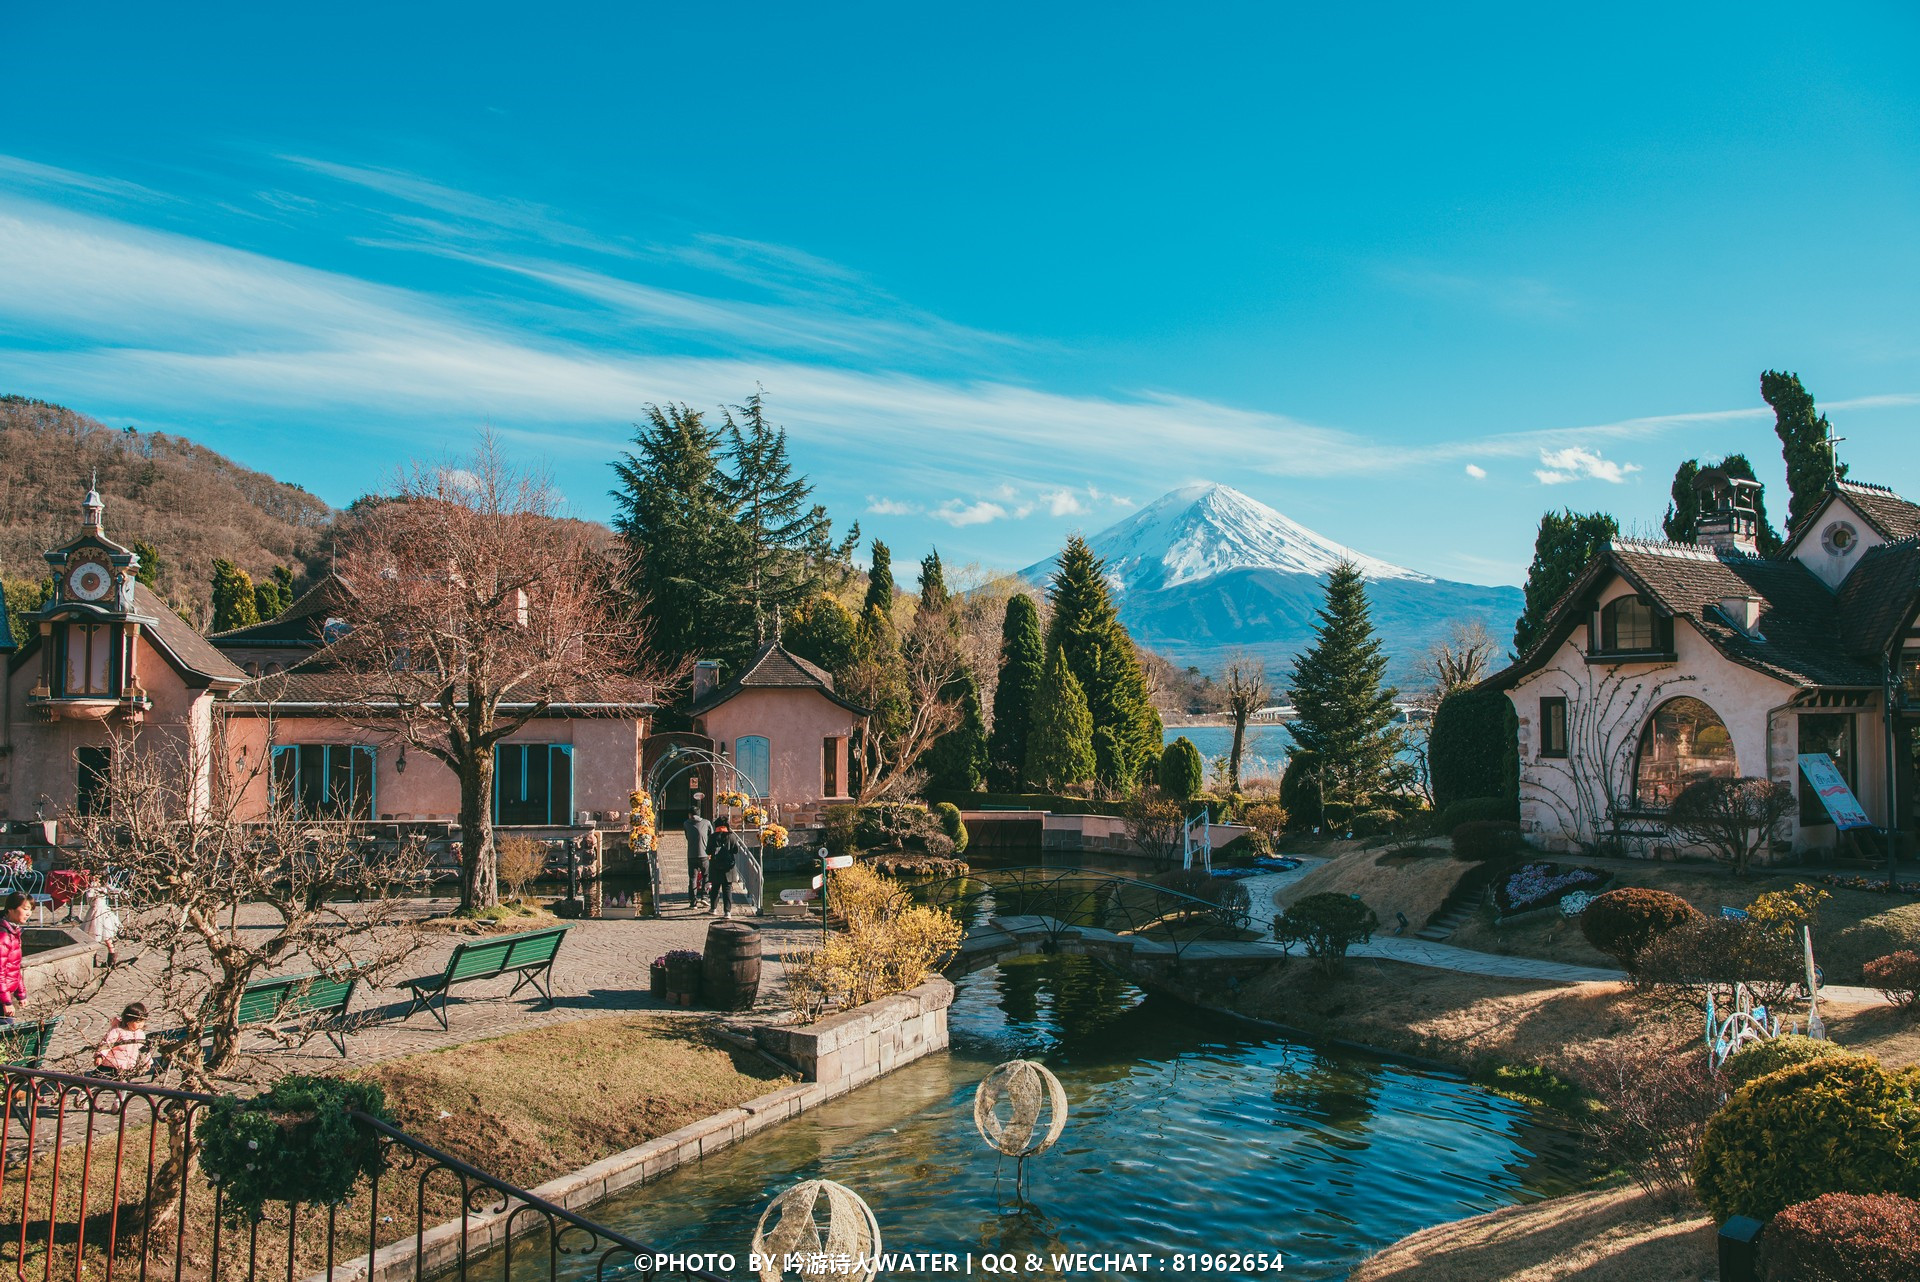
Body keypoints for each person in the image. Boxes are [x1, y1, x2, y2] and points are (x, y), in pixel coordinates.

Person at [93, 1002, 150, 1080]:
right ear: (128, 1021)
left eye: (143, 1021)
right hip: (110, 1066)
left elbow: (144, 1049)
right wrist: (100, 1056)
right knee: (98, 1082)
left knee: (124, 1087)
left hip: (128, 1068)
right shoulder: (117, 1031)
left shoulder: (141, 1034)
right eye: (137, 1022)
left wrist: (147, 1061)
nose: (140, 1024)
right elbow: (107, 1044)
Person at [707, 819, 744, 918]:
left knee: (715, 888)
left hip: (715, 866)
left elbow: (708, 851)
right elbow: (735, 850)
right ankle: (727, 912)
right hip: (728, 867)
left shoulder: (713, 837)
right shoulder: (731, 836)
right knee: (727, 889)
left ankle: (713, 909)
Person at [0, 892, 28, 1023]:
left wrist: (21, 993)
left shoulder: (14, 931)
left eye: (30, 910)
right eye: (25, 909)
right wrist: (6, 1002)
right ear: (10, 909)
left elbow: (14, 967)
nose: (28, 914)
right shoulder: (3, 935)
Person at [683, 810, 713, 910]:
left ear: (690, 814)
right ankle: (704, 896)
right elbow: (711, 836)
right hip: (704, 854)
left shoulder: (686, 823)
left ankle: (693, 902)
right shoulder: (707, 822)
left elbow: (687, 836)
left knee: (693, 878)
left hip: (691, 854)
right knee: (706, 875)